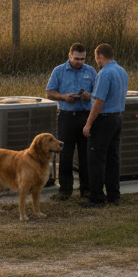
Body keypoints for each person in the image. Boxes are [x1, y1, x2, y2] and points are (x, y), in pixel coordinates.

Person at [46, 43, 97, 200]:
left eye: (82, 59)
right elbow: (49, 92)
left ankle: (86, 189)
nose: (79, 62)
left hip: (85, 116)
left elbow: (97, 93)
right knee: (65, 154)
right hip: (66, 116)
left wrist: (89, 96)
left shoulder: (91, 71)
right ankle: (65, 190)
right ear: (69, 56)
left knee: (85, 154)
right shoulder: (59, 71)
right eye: (76, 59)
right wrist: (63, 97)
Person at [82, 43, 129, 208]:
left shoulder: (104, 73)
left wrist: (88, 124)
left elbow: (99, 101)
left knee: (96, 159)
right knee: (113, 158)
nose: (97, 62)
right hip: (117, 118)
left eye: (96, 59)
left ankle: (96, 198)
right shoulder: (122, 71)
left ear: (99, 56)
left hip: (104, 120)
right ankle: (114, 195)